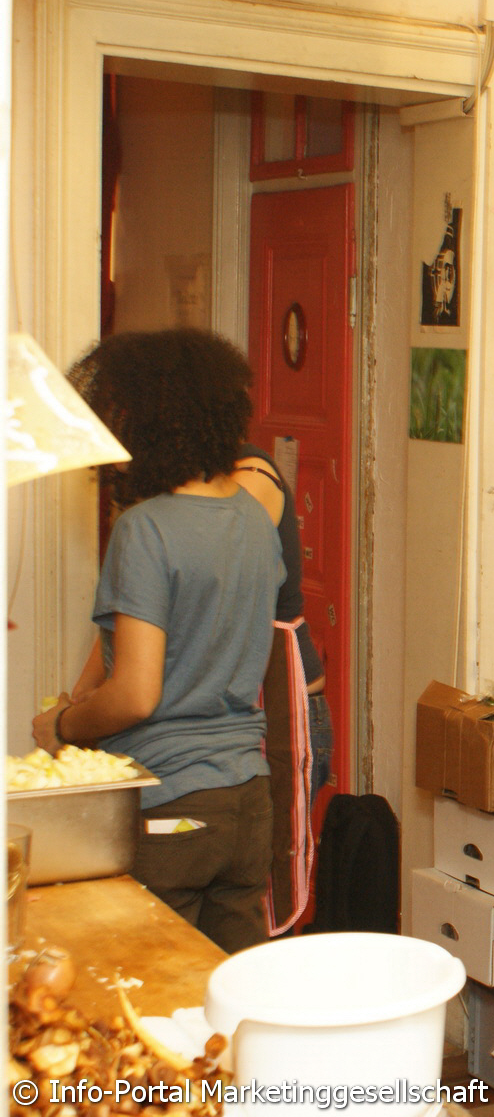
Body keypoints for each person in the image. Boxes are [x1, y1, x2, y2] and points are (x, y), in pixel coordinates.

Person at [33, 329, 285, 953]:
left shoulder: (145, 529)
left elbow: (137, 694)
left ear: (153, 421)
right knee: (230, 991)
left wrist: (63, 725)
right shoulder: (256, 518)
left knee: (150, 985)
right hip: (247, 801)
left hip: (170, 804)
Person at [232, 442, 334, 934]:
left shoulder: (249, 482)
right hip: (252, 708)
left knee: (263, 903)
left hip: (282, 710)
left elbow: (216, 599)